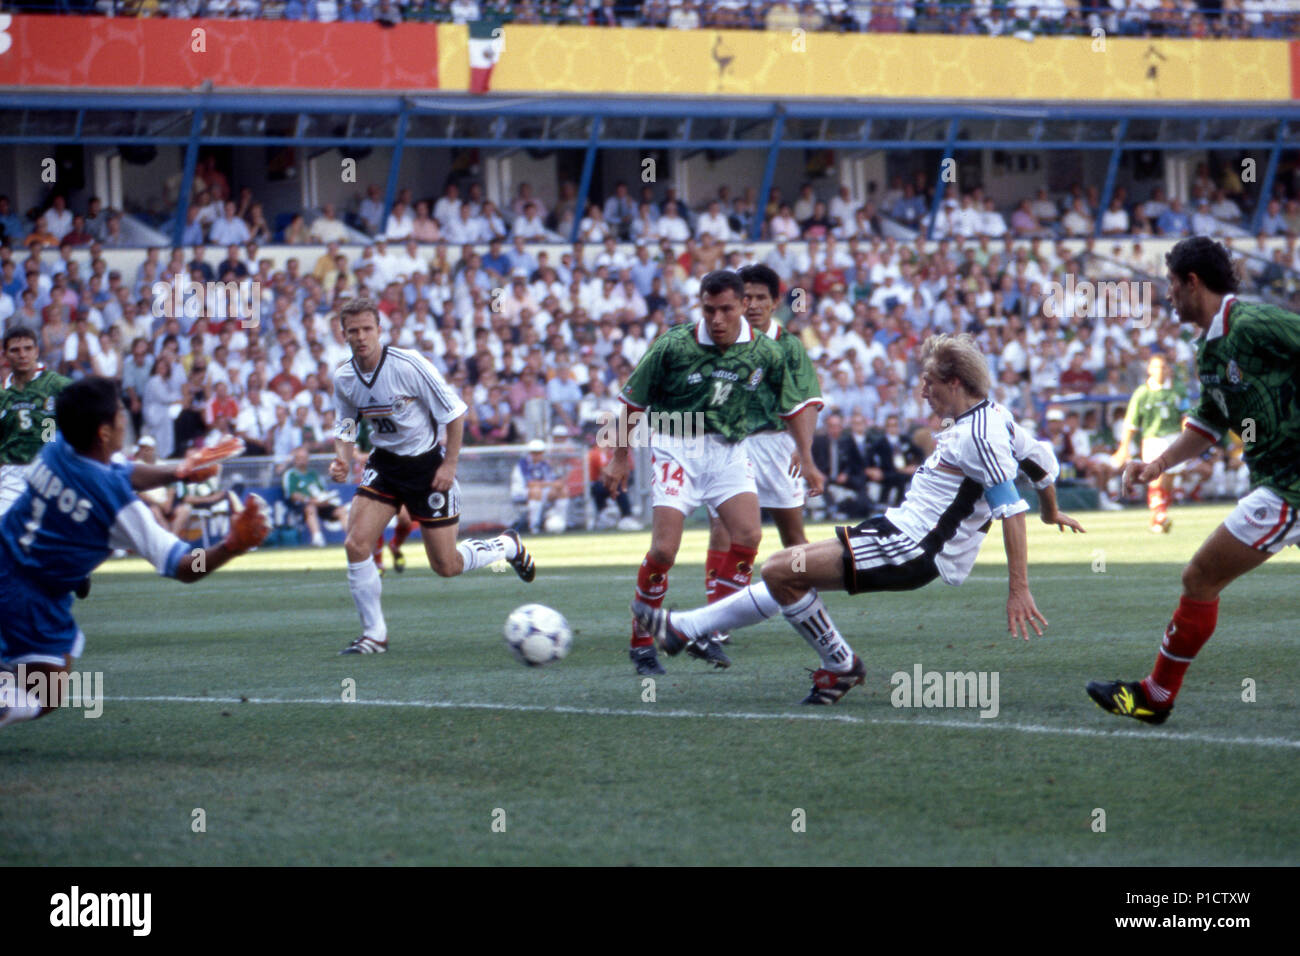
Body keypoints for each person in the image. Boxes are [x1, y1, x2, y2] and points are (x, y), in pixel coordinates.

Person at [634, 333, 1081, 705]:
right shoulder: (995, 417)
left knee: (779, 570)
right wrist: (1051, 509)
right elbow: (1041, 462)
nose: (922, 392)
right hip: (898, 532)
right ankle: (686, 628)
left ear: (955, 381)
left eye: (928, 383)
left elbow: (1009, 509)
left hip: (914, 549)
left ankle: (840, 665)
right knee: (788, 567)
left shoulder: (981, 434)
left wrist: (1019, 586)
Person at [1088, 237, 1300, 725]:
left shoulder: (1252, 323)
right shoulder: (1207, 348)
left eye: (1170, 284)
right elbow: (1208, 423)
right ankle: (1156, 695)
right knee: (1201, 578)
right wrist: (1155, 466)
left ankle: (1156, 695)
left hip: (1290, 486)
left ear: (1192, 282)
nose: (1166, 295)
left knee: (1199, 576)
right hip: (1277, 481)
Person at [0, 377, 269, 729]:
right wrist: (231, 546)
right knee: (48, 690)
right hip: (32, 599)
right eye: (120, 415)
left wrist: (179, 472)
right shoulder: (117, 505)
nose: (126, 420)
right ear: (103, 433)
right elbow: (185, 566)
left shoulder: (58, 448)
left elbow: (122, 471)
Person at [600, 270, 812, 676]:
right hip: (677, 444)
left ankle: (706, 631)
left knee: (749, 535)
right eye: (709, 309)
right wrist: (619, 457)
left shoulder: (766, 352)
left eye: (726, 309)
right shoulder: (674, 344)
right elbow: (631, 402)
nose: (717, 319)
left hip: (729, 449)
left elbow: (792, 405)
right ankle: (642, 642)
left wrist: (806, 454)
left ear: (741, 308)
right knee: (664, 550)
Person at [328, 297, 535, 655]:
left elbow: (455, 414)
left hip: (426, 468)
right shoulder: (344, 376)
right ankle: (374, 635)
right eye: (353, 331)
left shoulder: (409, 365)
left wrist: (449, 465)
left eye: (367, 329)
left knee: (446, 565)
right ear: (343, 335)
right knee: (355, 544)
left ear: (379, 330)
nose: (361, 337)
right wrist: (341, 459)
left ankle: (508, 545)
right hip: (384, 465)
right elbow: (346, 423)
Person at [703, 264, 825, 653]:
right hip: (731, 444)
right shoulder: (720, 341)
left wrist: (804, 453)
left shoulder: (788, 346)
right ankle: (717, 619)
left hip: (776, 445)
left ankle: (808, 608)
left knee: (794, 539)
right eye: (746, 298)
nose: (752, 305)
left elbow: (807, 403)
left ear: (775, 302)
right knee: (723, 526)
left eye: (760, 298)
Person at [0, 327, 71, 515]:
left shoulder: (57, 384)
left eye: (28, 348)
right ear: (5, 355)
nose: (22, 354)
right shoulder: (2, 395)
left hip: (52, 472)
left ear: (37, 351)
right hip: (13, 473)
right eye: (15, 350)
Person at [1111, 353, 1184, 533]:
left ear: (1168, 369)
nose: (1160, 371)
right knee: (1155, 478)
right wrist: (1123, 447)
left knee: (1169, 478)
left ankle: (1158, 514)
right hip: (1153, 439)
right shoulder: (1142, 393)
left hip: (1174, 438)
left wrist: (1186, 436)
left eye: (1163, 367)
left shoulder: (1178, 390)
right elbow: (1131, 423)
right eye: (1156, 367)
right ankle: (1159, 514)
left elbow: (1186, 415)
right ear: (1150, 369)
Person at [282, 445, 348, 548]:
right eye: (299, 458)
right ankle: (317, 538)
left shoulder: (314, 474)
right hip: (302, 506)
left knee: (341, 511)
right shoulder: (291, 474)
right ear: (294, 460)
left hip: (320, 502)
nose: (302, 461)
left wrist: (326, 498)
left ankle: (351, 538)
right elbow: (292, 495)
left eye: (304, 458)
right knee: (310, 508)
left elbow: (323, 491)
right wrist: (309, 500)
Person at [510, 438, 568, 534]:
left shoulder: (545, 465)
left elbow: (554, 480)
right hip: (521, 492)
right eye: (534, 453)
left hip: (541, 491)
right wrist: (552, 484)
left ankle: (561, 523)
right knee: (536, 491)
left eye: (539, 452)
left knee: (563, 491)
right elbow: (530, 484)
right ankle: (534, 527)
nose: (537, 455)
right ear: (530, 453)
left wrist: (556, 486)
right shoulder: (523, 464)